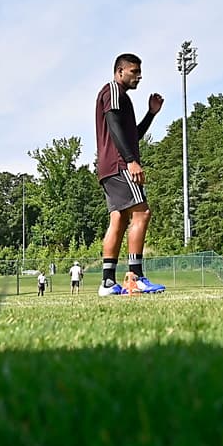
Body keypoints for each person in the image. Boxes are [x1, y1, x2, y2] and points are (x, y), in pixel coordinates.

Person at [95, 53, 165, 295]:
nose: (139, 76)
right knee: (142, 213)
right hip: (118, 165)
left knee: (119, 219)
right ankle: (135, 277)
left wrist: (151, 114)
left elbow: (131, 135)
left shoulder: (122, 98)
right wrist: (130, 161)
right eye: (134, 71)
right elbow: (113, 125)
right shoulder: (113, 90)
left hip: (108, 167)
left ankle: (107, 283)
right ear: (120, 71)